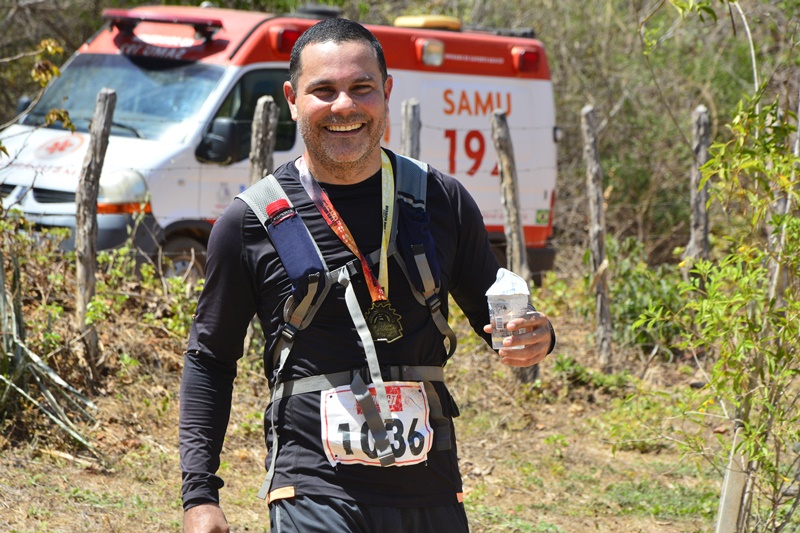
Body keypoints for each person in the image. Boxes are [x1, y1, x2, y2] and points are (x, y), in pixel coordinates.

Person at [179, 17, 555, 533]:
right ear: (291, 98)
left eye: (361, 88)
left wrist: (535, 335)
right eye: (323, 91)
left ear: (387, 92)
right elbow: (210, 359)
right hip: (313, 488)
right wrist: (200, 495)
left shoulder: (440, 201)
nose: (344, 106)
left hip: (432, 490)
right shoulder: (253, 221)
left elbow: (500, 319)